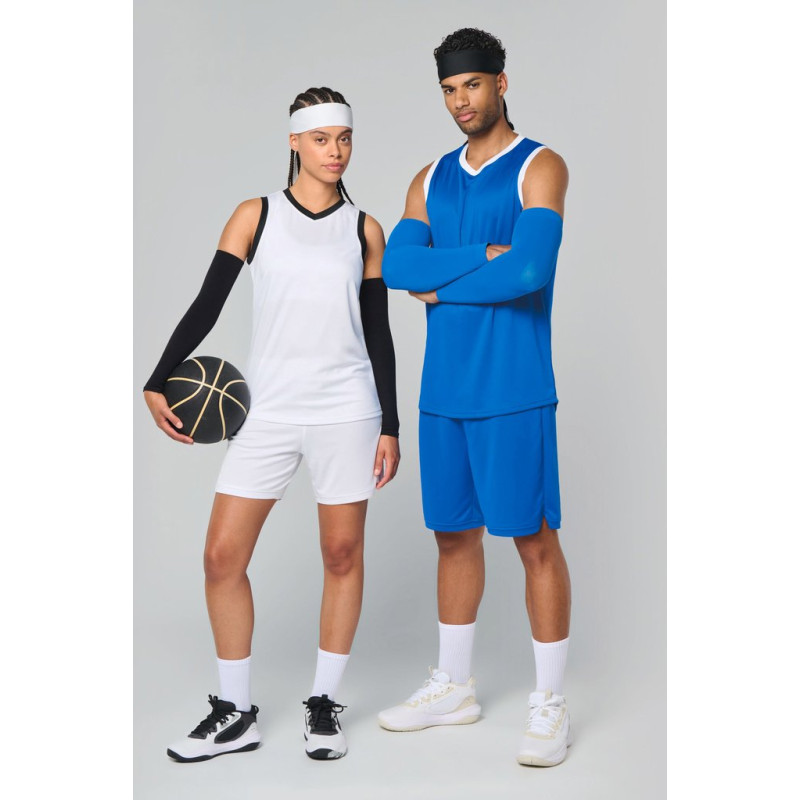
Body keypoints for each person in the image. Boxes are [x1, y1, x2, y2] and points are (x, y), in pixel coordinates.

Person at [143, 87, 400, 762]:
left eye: (344, 138)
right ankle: (235, 712)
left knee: (341, 555)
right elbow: (207, 304)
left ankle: (324, 704)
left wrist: (391, 425)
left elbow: (378, 333)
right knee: (221, 558)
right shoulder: (254, 215)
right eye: (321, 139)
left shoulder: (365, 230)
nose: (335, 151)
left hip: (347, 408)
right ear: (294, 142)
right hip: (267, 409)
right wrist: (156, 377)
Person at [378, 28, 572, 767]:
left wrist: (443, 281)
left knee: (535, 540)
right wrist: (476, 258)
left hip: (514, 390)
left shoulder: (540, 166)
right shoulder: (428, 178)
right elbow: (398, 268)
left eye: (472, 85)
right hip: (443, 394)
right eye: (449, 90)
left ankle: (549, 703)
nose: (461, 101)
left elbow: (528, 271)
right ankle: (454, 687)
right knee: (453, 537)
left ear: (501, 83)